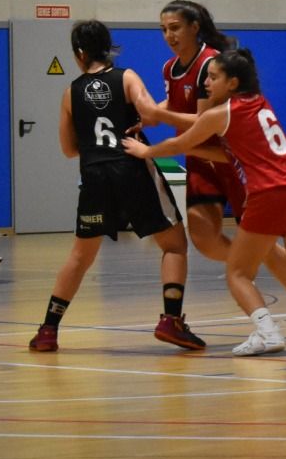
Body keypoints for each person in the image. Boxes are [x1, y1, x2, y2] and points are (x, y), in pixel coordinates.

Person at [124, 50, 286, 357]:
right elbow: (229, 151)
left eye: (213, 77)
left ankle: (268, 333)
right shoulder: (260, 102)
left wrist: (143, 151)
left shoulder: (221, 114)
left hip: (270, 193)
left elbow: (182, 143)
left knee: (237, 273)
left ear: (232, 82)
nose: (206, 82)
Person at [148, 1, 286, 344]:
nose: (168, 35)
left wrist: (159, 117)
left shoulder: (211, 64)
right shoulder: (170, 67)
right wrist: (146, 112)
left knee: (258, 242)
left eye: (174, 27)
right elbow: (176, 107)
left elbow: (203, 122)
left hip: (229, 159)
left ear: (194, 27)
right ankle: (250, 269)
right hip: (198, 159)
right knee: (204, 239)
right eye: (163, 29)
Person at [27, 20, 200, 352]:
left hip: (94, 174)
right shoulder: (127, 77)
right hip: (131, 166)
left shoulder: (70, 93)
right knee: (174, 244)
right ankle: (171, 320)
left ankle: (48, 329)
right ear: (108, 47)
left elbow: (68, 150)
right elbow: (149, 113)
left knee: (80, 256)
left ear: (79, 53)